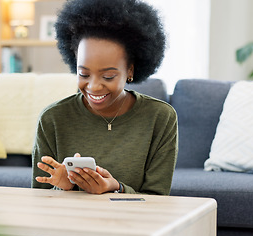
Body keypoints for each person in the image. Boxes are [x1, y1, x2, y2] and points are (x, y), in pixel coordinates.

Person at [31, 0, 177, 195]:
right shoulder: (52, 119)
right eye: (83, 74)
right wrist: (65, 186)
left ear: (130, 70)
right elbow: (38, 201)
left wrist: (116, 188)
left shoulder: (160, 118)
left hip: (136, 224)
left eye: (108, 76)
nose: (93, 86)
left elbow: (158, 200)